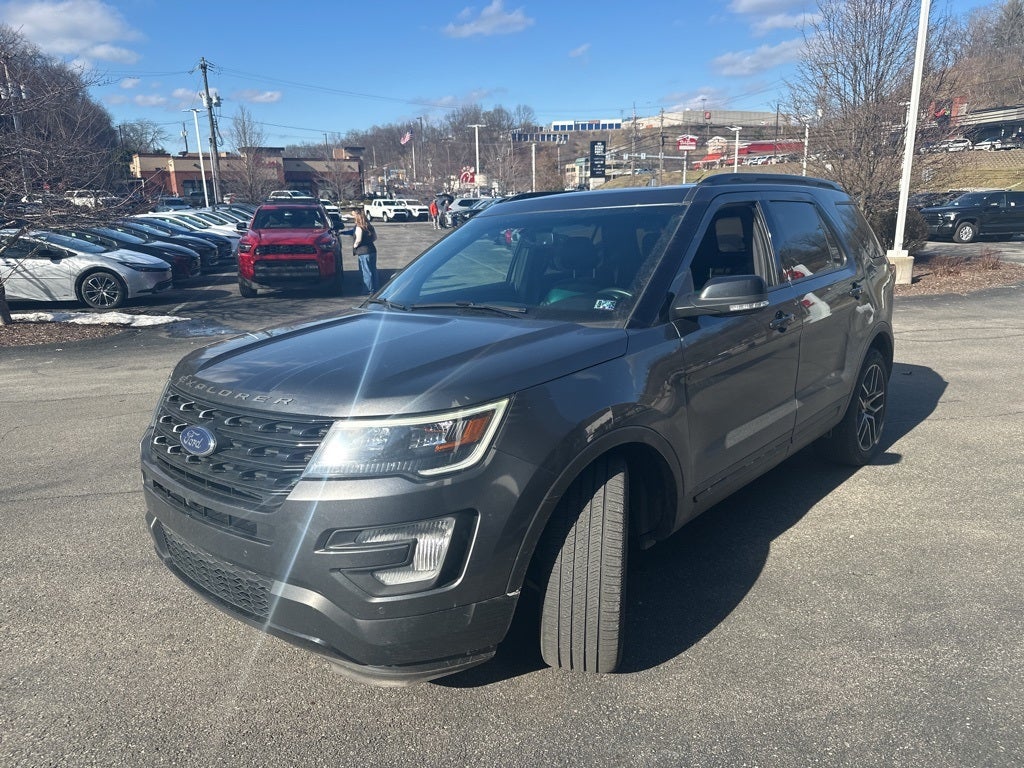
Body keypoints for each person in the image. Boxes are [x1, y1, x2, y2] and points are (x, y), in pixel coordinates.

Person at [348, 209, 378, 293]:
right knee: (373, 270)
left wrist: (355, 246)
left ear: (357, 217)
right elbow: (375, 237)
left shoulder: (359, 227)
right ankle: (376, 289)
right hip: (372, 250)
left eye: (354, 215)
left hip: (363, 252)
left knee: (366, 272)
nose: (353, 217)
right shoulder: (369, 226)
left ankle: (368, 290)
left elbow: (358, 239)